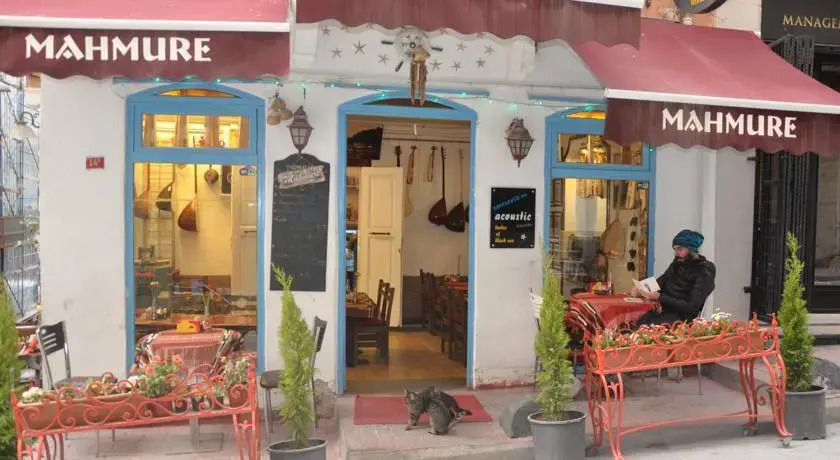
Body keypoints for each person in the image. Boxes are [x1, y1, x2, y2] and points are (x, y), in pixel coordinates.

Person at [633, 229, 716, 326]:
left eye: (680, 249)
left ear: (692, 249)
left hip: (682, 318)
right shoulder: (678, 263)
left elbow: (691, 306)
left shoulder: (704, 270)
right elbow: (661, 282)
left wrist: (660, 297)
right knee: (635, 323)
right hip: (665, 312)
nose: (676, 253)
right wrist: (641, 287)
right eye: (675, 249)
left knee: (643, 328)